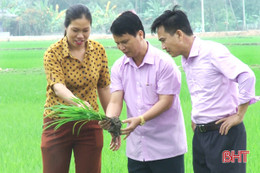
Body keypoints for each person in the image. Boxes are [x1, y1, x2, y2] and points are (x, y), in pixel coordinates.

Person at [151, 5, 259, 173]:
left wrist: (239, 115)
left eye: (163, 40)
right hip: (201, 136)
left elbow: (247, 75)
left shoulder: (212, 52)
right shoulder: (187, 60)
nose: (163, 46)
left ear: (179, 34)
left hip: (228, 136)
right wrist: (197, 117)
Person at [99, 11, 187, 173]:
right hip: (137, 150)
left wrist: (140, 119)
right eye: (117, 43)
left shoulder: (164, 63)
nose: (121, 47)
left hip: (166, 149)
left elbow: (166, 101)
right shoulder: (119, 67)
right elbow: (115, 100)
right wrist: (111, 121)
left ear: (140, 34)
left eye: (125, 42)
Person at [41, 4, 111, 173]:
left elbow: (103, 87)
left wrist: (111, 118)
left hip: (89, 123)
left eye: (85, 30)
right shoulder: (53, 53)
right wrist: (78, 103)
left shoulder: (98, 50)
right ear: (66, 27)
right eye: (75, 30)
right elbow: (57, 86)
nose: (81, 35)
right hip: (58, 122)